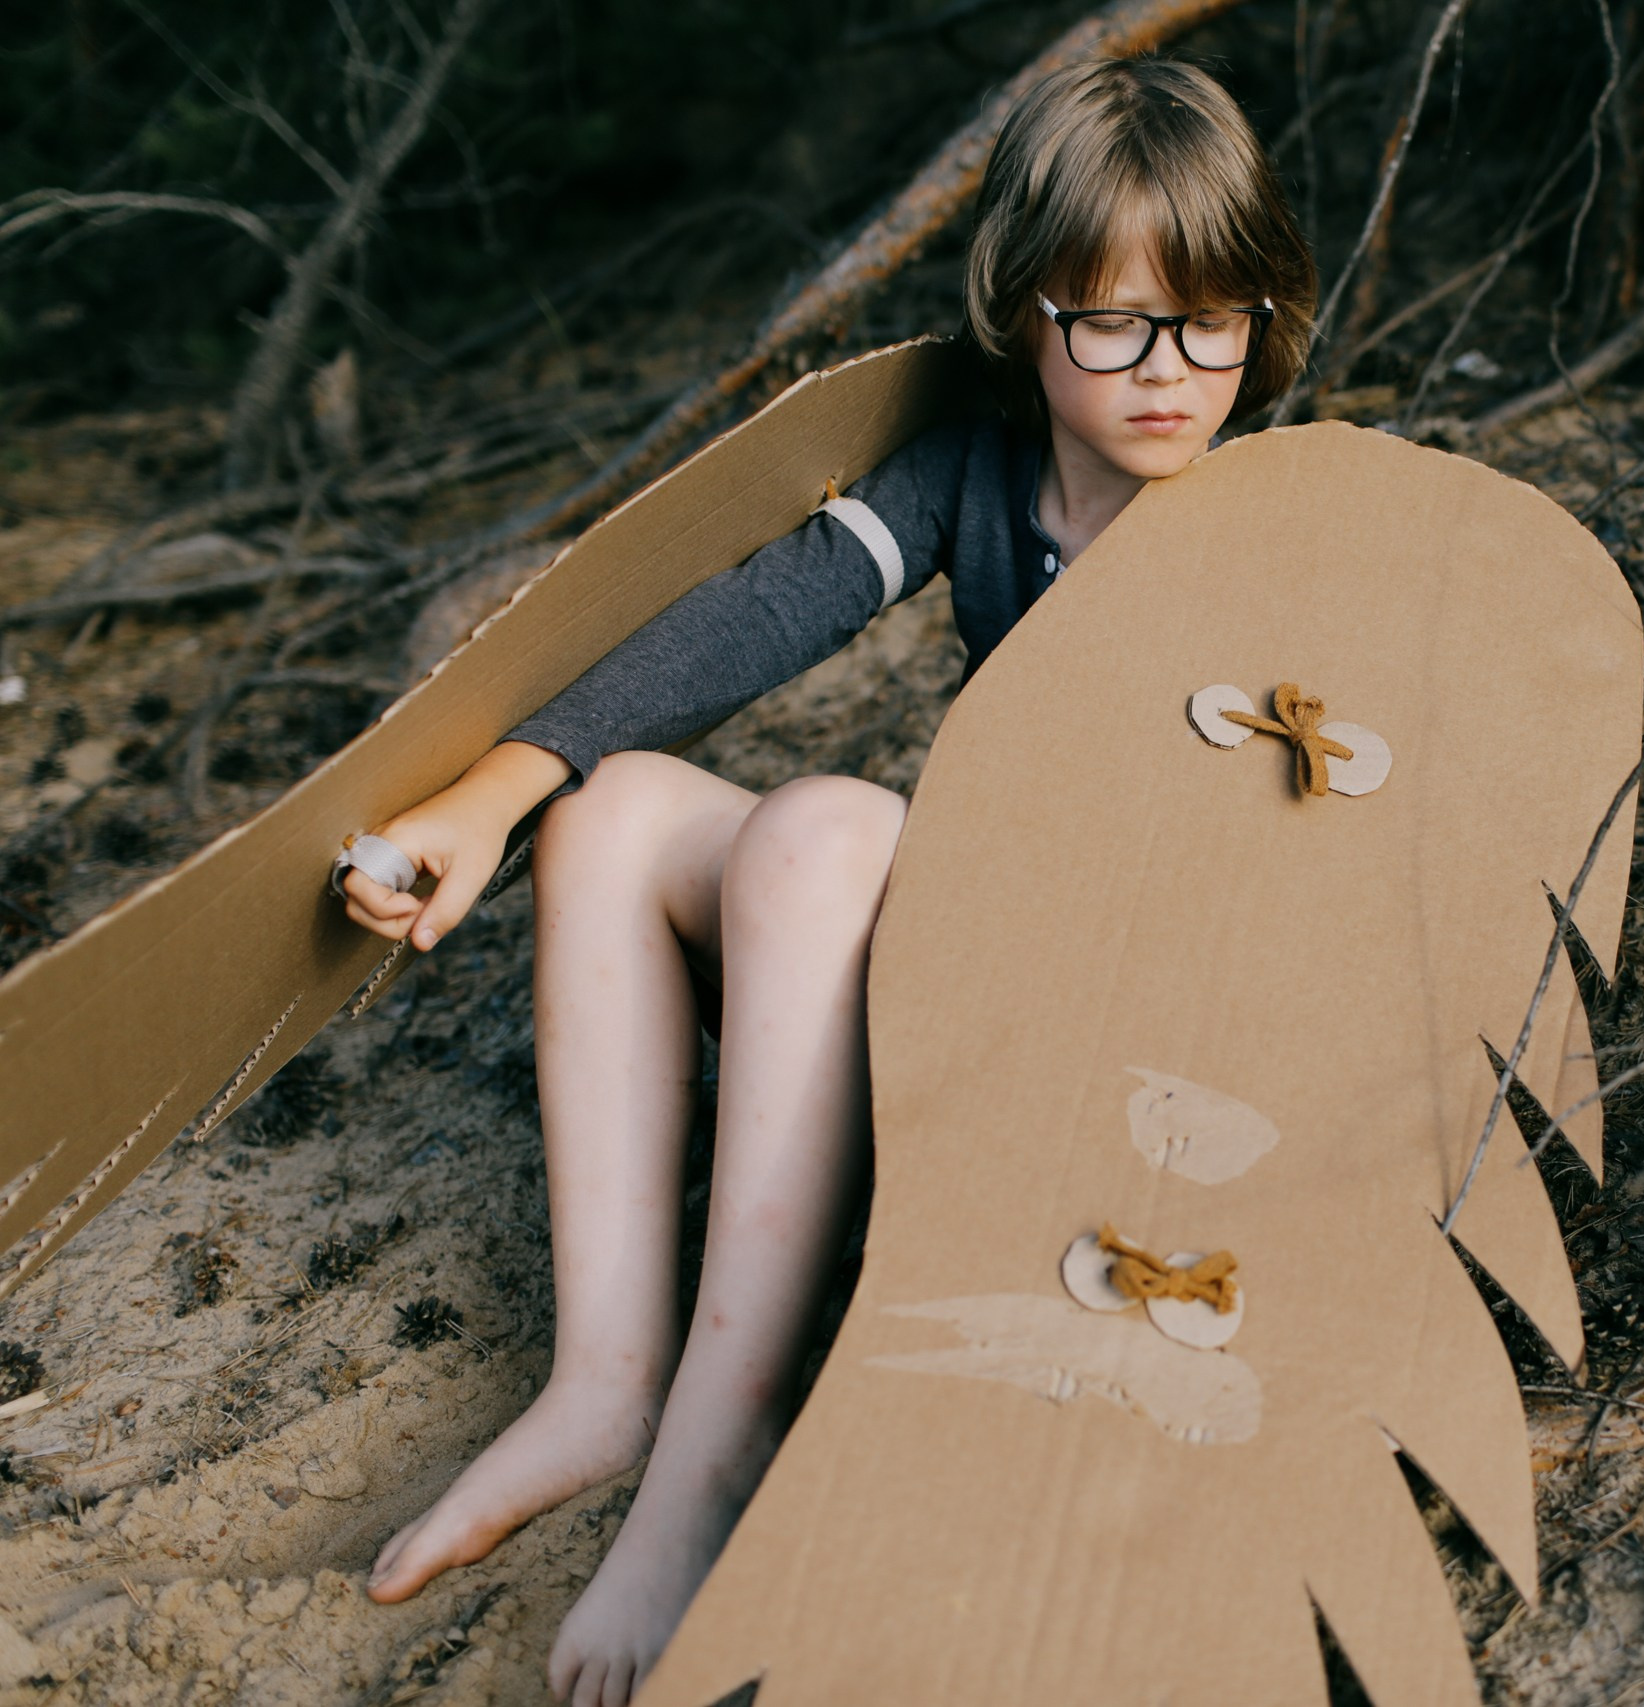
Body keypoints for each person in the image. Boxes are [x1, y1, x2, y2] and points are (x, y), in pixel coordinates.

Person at [337, 56, 1315, 1707]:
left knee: (826, 830)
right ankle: (608, 1384)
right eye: (1113, 320)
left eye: (1208, 322)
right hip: (950, 970)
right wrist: (497, 796)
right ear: (1023, 313)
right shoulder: (979, 475)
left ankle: (719, 1452)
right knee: (626, 808)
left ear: (1265, 318)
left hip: (1099, 1042)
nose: (1166, 373)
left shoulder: (1273, 524)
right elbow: (755, 619)